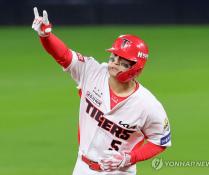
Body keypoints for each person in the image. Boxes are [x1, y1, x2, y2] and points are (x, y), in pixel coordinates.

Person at [32, 7, 171, 175]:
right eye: (113, 57)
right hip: (82, 166)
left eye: (122, 61)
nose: (114, 63)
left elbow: (160, 141)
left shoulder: (148, 105)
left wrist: (129, 158)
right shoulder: (92, 72)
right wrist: (46, 36)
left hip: (119, 171)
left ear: (136, 68)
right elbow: (64, 56)